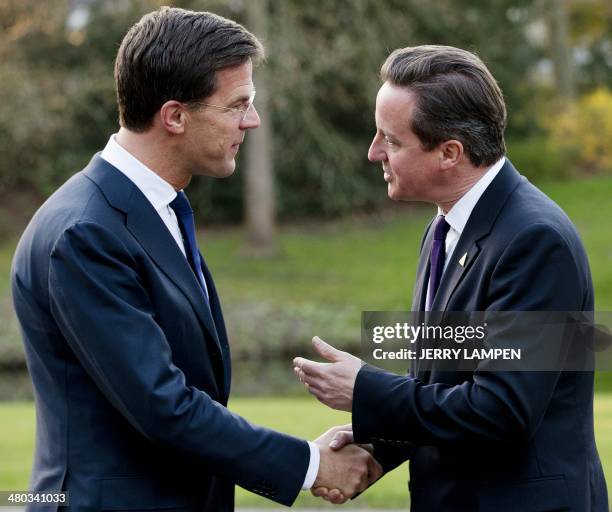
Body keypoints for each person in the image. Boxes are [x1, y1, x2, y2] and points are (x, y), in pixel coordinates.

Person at [11, 7, 380, 511]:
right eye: (237, 105)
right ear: (175, 116)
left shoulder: (153, 207)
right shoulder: (86, 232)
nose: (251, 120)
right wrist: (310, 464)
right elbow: (162, 405)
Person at [294, 45, 609, 511]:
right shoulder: (445, 229)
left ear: (449, 152)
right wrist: (379, 446)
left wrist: (366, 390)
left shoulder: (536, 241)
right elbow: (449, 384)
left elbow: (503, 411)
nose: (373, 152)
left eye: (391, 140)